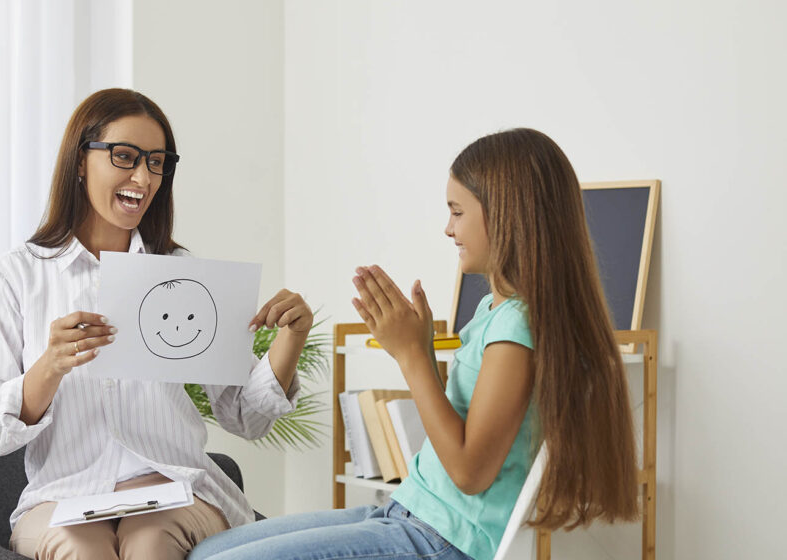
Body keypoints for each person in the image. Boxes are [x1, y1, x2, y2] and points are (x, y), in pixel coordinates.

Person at [188, 128, 640, 560]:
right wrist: (420, 350)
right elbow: (466, 429)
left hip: (443, 539)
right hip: (409, 511)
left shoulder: (518, 327)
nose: (448, 228)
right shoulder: (494, 314)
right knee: (206, 551)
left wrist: (411, 357)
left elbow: (469, 472)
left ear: (507, 214)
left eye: (457, 211)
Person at [0, 88, 313, 560]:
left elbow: (243, 416)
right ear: (81, 161)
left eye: (156, 162)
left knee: (149, 544)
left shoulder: (181, 271)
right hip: (64, 497)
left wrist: (291, 339)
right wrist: (50, 366)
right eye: (125, 157)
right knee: (81, 551)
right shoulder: (15, 276)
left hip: (174, 486)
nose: (143, 177)